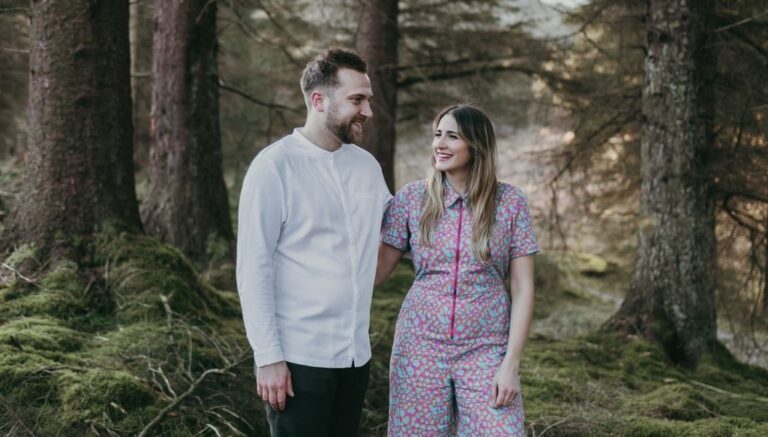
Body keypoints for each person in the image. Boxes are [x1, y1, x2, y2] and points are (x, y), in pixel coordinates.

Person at [236, 48, 391, 437]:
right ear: (318, 100)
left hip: (356, 359)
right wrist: (268, 357)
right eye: (357, 99)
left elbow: (400, 232)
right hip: (298, 362)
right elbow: (253, 269)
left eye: (367, 100)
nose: (367, 111)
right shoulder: (273, 167)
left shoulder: (367, 168)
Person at [375, 104, 539, 436]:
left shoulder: (510, 203)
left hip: (486, 347)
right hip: (419, 346)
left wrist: (510, 363)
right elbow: (376, 272)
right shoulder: (412, 199)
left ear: (476, 145)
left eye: (452, 136)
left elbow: (523, 289)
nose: (440, 144)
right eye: (437, 135)